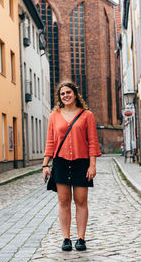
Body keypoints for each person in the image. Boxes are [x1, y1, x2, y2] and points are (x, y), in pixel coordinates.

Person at [42, 81, 101, 251]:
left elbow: (92, 142)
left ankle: (81, 238)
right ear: (60, 97)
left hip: (81, 162)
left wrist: (92, 165)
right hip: (60, 162)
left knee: (81, 201)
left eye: (68, 92)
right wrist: (45, 165)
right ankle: (66, 238)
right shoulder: (54, 115)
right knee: (63, 201)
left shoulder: (86, 115)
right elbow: (50, 142)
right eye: (62, 94)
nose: (65, 96)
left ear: (75, 94)